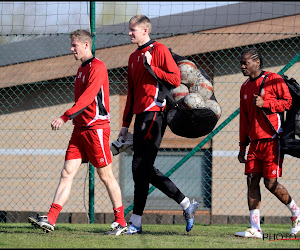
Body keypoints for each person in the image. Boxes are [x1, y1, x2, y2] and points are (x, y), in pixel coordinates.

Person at [28, 29, 127, 236]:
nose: (71, 49)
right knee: (67, 172)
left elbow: (88, 98)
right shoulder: (82, 69)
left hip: (96, 129)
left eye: (74, 45)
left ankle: (120, 222)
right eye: (71, 45)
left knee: (105, 175)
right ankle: (51, 219)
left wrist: (65, 116)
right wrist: (73, 119)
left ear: (85, 45)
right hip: (80, 129)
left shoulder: (98, 67)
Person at [119, 15, 198, 235]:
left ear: (145, 30)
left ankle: (136, 222)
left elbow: (174, 80)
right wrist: (125, 125)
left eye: (133, 30)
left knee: (139, 167)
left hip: (155, 114)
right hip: (140, 116)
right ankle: (185, 204)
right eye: (129, 29)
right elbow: (132, 94)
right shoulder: (133, 57)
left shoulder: (159, 50)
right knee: (143, 169)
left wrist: (152, 66)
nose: (129, 33)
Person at [235, 47, 300, 238]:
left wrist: (267, 104)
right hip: (254, 144)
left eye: (245, 63)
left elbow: (289, 103)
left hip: (273, 140)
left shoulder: (274, 79)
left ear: (257, 63)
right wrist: (242, 146)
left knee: (270, 184)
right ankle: (255, 229)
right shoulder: (245, 86)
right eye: (241, 63)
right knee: (251, 180)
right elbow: (244, 119)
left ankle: (296, 213)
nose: (242, 66)